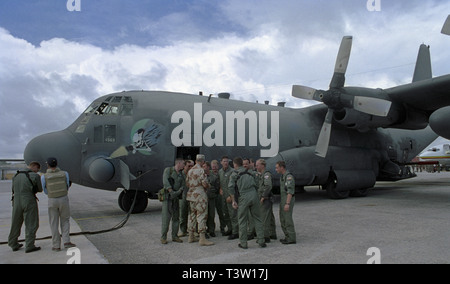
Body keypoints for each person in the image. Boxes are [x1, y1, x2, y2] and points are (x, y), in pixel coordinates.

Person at [229, 157, 266, 249]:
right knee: (257, 218)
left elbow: (230, 187)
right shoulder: (251, 172)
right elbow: (258, 183)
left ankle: (243, 243)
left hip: (243, 196)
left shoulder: (234, 174)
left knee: (242, 220)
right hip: (253, 194)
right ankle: (261, 240)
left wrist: (233, 200)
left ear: (235, 164)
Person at [41, 157, 76, 251]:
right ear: (56, 164)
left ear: (48, 165)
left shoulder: (44, 176)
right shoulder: (65, 173)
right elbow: (67, 185)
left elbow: (44, 190)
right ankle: (67, 241)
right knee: (65, 220)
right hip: (63, 198)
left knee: (53, 222)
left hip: (52, 199)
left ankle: (56, 245)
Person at [8, 161, 43, 253]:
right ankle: (30, 245)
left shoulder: (15, 176)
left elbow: (13, 188)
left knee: (16, 222)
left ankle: (13, 243)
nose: (37, 171)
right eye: (37, 169)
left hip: (16, 201)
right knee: (31, 223)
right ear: (35, 167)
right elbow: (40, 189)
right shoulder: (35, 176)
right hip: (28, 200)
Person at [186, 154, 213, 246]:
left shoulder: (190, 171)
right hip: (200, 196)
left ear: (196, 160)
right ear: (203, 161)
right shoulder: (201, 170)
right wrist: (209, 186)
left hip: (191, 195)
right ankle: (202, 238)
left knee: (192, 216)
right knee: (201, 215)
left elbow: (187, 183)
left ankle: (191, 236)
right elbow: (204, 183)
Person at [160, 158, 185, 244]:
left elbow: (183, 184)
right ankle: (163, 237)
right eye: (183, 164)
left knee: (176, 218)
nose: (184, 165)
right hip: (168, 198)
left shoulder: (181, 174)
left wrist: (179, 191)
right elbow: (165, 181)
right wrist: (171, 191)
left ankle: (175, 236)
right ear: (178, 163)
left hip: (176, 198)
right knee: (166, 218)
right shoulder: (168, 170)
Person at [255, 159, 277, 242]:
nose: (256, 166)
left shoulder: (266, 175)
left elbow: (268, 186)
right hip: (264, 198)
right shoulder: (261, 175)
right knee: (270, 216)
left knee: (264, 217)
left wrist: (263, 196)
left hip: (265, 199)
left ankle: (265, 236)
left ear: (263, 165)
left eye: (258, 165)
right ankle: (272, 233)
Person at [275, 161, 296, 244]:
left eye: (277, 167)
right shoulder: (282, 177)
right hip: (283, 199)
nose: (276, 169)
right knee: (282, 218)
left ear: (282, 167)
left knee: (287, 219)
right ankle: (287, 236)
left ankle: (291, 238)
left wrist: (287, 204)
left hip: (287, 200)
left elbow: (290, 191)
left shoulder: (288, 177)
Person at [219, 156, 238, 239]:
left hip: (230, 196)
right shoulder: (220, 171)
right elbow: (220, 182)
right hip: (223, 197)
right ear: (221, 162)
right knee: (225, 214)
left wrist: (231, 196)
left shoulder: (233, 171)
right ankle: (230, 229)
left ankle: (235, 232)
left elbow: (235, 186)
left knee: (233, 214)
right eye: (224, 161)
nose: (226, 163)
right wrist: (220, 188)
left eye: (227, 161)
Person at [204, 160, 220, 237]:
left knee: (211, 215)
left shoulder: (213, 177)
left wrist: (212, 192)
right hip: (203, 199)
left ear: (208, 167)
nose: (203, 168)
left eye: (205, 166)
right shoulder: (201, 175)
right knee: (204, 215)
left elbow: (217, 187)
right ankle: (204, 231)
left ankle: (211, 230)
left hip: (211, 198)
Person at [178, 159, 193, 237]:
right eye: (188, 166)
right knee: (183, 214)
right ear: (184, 166)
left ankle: (193, 231)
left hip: (192, 196)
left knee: (193, 214)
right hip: (183, 196)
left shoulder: (193, 174)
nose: (190, 167)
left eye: (192, 166)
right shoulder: (180, 174)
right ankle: (183, 230)